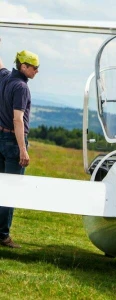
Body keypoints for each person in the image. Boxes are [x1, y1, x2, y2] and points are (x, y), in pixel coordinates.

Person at [0, 46, 39, 248]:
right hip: (13, 143)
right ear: (23, 66)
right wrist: (23, 149)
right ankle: (3, 235)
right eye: (34, 67)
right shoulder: (22, 87)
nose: (37, 71)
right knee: (10, 190)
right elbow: (18, 120)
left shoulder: (4, 77)